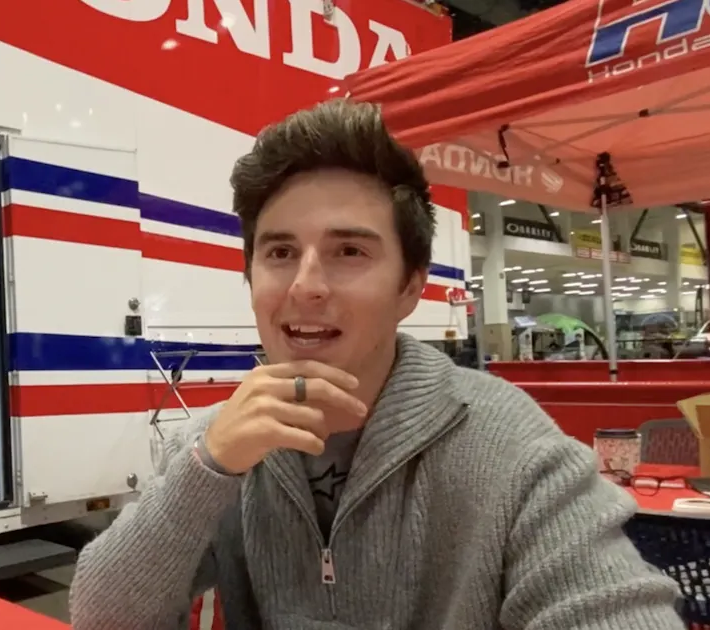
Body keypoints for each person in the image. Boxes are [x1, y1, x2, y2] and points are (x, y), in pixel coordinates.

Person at [69, 99, 683, 629]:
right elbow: (100, 616)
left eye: (349, 251)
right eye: (280, 251)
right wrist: (207, 468)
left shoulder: (507, 443)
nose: (306, 286)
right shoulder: (221, 441)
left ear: (410, 286)